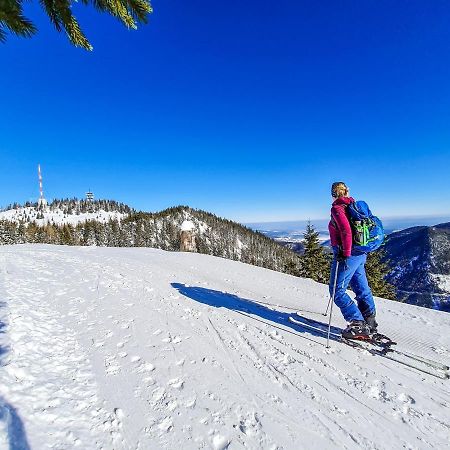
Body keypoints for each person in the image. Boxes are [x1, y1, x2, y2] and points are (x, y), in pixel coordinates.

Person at [328, 181, 378, 339]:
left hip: (348, 255)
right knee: (361, 287)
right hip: (360, 253)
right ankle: (369, 320)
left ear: (334, 193)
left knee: (336, 291)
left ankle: (357, 323)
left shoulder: (337, 208)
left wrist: (345, 253)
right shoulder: (353, 206)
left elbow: (346, 231)